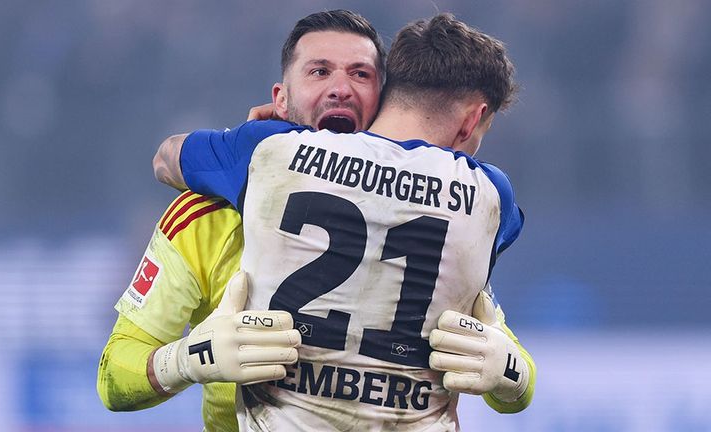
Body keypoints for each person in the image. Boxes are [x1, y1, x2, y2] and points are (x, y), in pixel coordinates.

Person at [152, 13, 534, 431]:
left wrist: (244, 144)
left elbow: (168, 157)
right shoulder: (491, 195)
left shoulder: (268, 150)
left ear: (388, 90)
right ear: (471, 119)